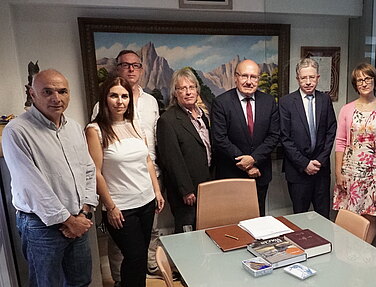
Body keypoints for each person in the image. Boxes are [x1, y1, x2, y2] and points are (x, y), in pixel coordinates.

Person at [2, 69, 98, 286]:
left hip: (79, 217)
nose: (57, 98)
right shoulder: (16, 131)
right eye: (48, 92)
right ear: (32, 93)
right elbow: (31, 186)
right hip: (41, 226)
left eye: (62, 91)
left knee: (81, 281)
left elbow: (88, 170)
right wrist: (69, 221)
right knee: (47, 283)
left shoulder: (73, 127)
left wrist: (84, 211)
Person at [85, 77, 164, 287]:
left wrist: (157, 191)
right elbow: (96, 173)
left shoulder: (135, 124)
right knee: (135, 256)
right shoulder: (95, 130)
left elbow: (147, 159)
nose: (120, 101)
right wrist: (109, 207)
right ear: (105, 98)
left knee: (138, 257)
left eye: (124, 96)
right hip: (121, 207)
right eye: (114, 95)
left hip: (146, 202)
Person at [333, 63, 376, 244]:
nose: (364, 83)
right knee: (349, 213)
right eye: (359, 80)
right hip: (351, 168)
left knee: (370, 214)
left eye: (367, 78)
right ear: (355, 84)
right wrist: (339, 172)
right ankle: (347, 252)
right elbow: (341, 142)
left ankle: (364, 251)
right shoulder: (346, 109)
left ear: (375, 81)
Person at [211, 59, 280, 216]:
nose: (249, 81)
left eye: (253, 77)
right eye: (244, 76)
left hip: (260, 175)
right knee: (231, 222)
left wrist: (254, 159)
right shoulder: (221, 103)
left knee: (258, 220)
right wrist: (247, 165)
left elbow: (274, 136)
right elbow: (220, 139)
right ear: (235, 77)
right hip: (231, 175)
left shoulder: (269, 102)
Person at [279, 58, 337, 219]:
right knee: (300, 218)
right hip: (297, 171)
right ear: (297, 79)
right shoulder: (286, 102)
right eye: (304, 78)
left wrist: (320, 160)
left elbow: (331, 130)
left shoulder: (325, 100)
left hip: (321, 170)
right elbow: (285, 137)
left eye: (312, 77)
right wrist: (304, 163)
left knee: (323, 216)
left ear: (318, 78)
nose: (308, 82)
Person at [157, 68, 213, 232]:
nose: (188, 92)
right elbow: (172, 160)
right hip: (187, 193)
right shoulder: (167, 121)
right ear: (175, 93)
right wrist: (186, 190)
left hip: (206, 185)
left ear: (197, 90)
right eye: (182, 88)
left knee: (206, 231)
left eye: (191, 87)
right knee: (187, 235)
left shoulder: (203, 115)